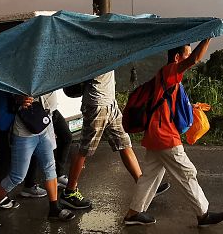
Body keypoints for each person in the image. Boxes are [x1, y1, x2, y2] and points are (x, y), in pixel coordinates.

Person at [123, 39, 223, 227]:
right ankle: (203, 215)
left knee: (150, 176)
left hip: (155, 135)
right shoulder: (171, 70)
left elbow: (168, 103)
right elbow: (195, 59)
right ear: (178, 57)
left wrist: (192, 106)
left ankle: (133, 214)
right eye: (185, 54)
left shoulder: (166, 77)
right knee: (187, 173)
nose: (188, 58)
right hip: (165, 137)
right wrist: (208, 37)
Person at [61, 71, 169, 210]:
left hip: (111, 103)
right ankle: (70, 192)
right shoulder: (96, 50)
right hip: (97, 104)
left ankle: (144, 187)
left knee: (124, 143)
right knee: (85, 150)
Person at [0, 92, 75, 227]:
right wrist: (18, 99)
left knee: (50, 168)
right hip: (23, 134)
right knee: (17, 176)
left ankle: (54, 208)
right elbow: (8, 93)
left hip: (43, 127)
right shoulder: (19, 76)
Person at [20, 107, 72, 198]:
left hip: (52, 109)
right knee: (36, 146)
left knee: (66, 137)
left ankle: (59, 175)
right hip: (37, 111)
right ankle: (29, 185)